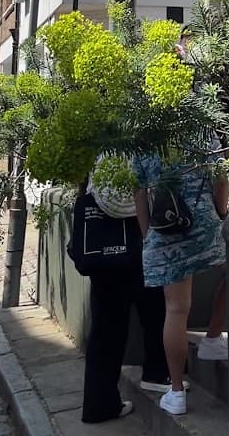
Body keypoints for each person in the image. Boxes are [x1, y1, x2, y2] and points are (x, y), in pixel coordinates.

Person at [134, 149, 229, 417]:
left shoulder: (141, 140)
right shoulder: (200, 130)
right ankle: (213, 336)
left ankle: (176, 393)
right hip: (206, 225)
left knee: (176, 310)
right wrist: (221, 212)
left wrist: (148, 235)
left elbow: (139, 192)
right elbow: (221, 178)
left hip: (166, 228)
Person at [79, 169, 170, 423]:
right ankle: (156, 372)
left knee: (105, 329)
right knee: (155, 309)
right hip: (136, 236)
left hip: (102, 245)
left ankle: (99, 403)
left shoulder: (99, 156)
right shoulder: (134, 153)